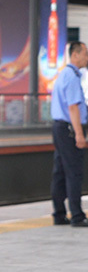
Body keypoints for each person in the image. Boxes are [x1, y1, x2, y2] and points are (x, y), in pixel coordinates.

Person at [51, 41, 88, 227]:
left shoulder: (63, 74)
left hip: (59, 127)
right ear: (75, 55)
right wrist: (80, 135)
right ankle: (77, 215)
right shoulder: (72, 77)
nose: (87, 58)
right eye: (85, 54)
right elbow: (73, 107)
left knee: (59, 171)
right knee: (73, 171)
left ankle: (58, 214)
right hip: (69, 129)